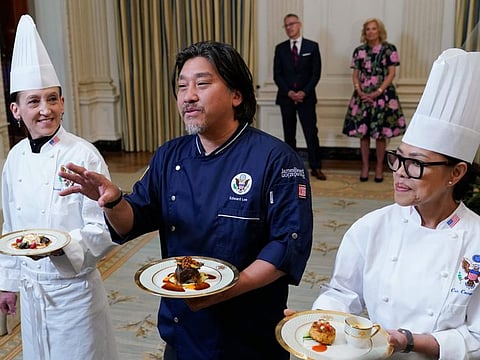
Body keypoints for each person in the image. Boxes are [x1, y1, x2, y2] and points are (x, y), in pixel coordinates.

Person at [58, 41, 313, 360]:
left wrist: (224, 290)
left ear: (236, 95)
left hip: (247, 336)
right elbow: (132, 221)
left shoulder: (276, 160)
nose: (188, 95)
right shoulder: (169, 156)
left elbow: (285, 246)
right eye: (181, 86)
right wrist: (111, 202)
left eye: (202, 84)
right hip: (183, 331)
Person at [311, 48, 480, 359]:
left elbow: (477, 337)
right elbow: (341, 294)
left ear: (455, 173)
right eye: (398, 158)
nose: (400, 172)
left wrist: (410, 341)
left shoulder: (476, 239)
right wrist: (317, 319)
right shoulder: (371, 227)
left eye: (416, 164)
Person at [0, 15, 119, 359]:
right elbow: (11, 225)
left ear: (63, 103)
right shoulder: (15, 158)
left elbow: (104, 228)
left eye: (52, 99)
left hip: (73, 291)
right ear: (16, 110)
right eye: (34, 101)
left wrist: (62, 248)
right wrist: (7, 283)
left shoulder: (84, 155)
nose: (45, 110)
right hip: (31, 290)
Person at [342, 18, 406, 182]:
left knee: (380, 135)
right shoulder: (359, 51)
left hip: (383, 96)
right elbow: (355, 74)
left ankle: (379, 167)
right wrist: (360, 91)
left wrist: (378, 91)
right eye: (368, 29)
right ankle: (365, 167)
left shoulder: (389, 49)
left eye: (374, 29)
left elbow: (391, 73)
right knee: (363, 134)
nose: (371, 32)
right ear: (365, 32)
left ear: (379, 31)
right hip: (362, 96)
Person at [274, 13, 326, 181]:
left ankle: (316, 167)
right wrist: (289, 92)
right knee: (289, 135)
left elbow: (315, 73)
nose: (289, 27)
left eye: (292, 24)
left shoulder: (312, 47)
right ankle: (291, 169)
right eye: (286, 25)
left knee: (311, 133)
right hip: (286, 99)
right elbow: (277, 75)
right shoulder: (280, 48)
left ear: (299, 24)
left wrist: (304, 92)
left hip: (307, 98)